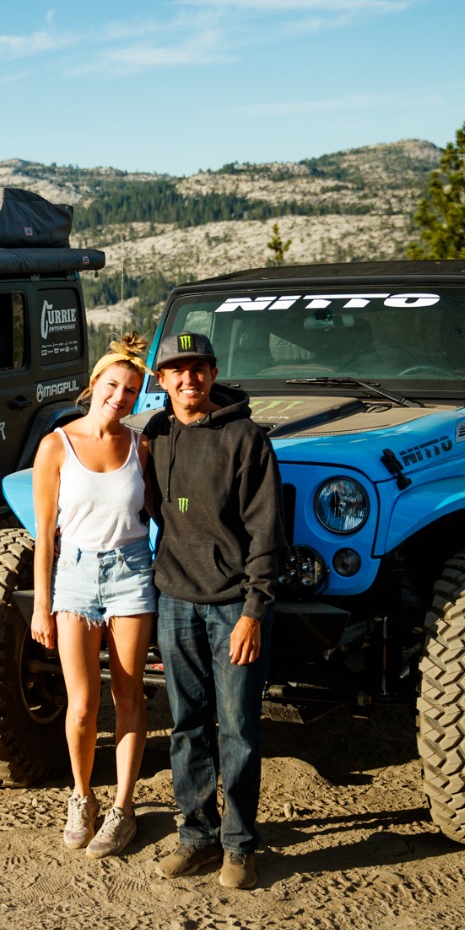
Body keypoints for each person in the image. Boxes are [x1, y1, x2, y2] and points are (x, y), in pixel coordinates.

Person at [143, 331, 288, 889]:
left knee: (240, 729)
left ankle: (239, 845)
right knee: (187, 725)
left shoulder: (247, 438)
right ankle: (196, 837)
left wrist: (255, 610)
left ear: (212, 372)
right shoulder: (157, 434)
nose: (188, 379)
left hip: (233, 607)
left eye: (198, 368)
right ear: (162, 381)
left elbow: (267, 531)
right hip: (176, 599)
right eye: (176, 371)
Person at [30, 333, 156, 859]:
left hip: (131, 573)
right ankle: (82, 797)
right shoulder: (56, 446)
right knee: (81, 705)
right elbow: (45, 535)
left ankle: (123, 809)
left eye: (131, 391)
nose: (120, 397)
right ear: (94, 384)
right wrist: (41, 604)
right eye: (113, 385)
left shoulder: (141, 447)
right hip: (75, 577)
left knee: (128, 695)